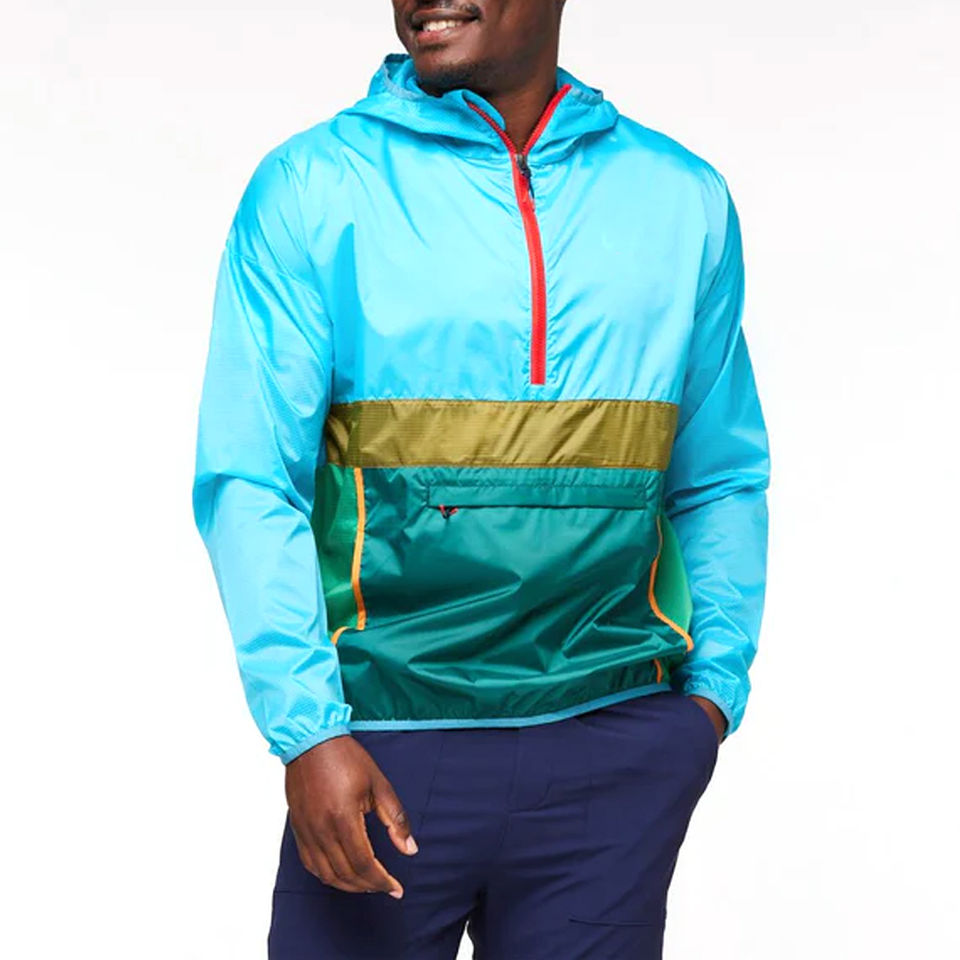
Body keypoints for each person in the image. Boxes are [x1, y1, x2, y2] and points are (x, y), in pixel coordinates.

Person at [192, 1, 770, 956]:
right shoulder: (311, 188)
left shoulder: (681, 198)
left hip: (614, 744)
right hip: (381, 746)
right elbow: (251, 480)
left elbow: (719, 476)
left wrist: (707, 701)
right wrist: (308, 732)